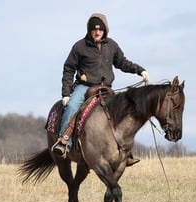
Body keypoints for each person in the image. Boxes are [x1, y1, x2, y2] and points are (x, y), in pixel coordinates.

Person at [52, 13, 149, 166]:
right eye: (94, 29)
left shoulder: (112, 45)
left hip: (106, 89)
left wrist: (140, 70)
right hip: (84, 88)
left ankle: (126, 152)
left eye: (100, 29)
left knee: (122, 113)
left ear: (105, 30)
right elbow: (68, 69)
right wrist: (66, 93)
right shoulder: (79, 46)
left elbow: (122, 63)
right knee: (71, 107)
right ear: (89, 30)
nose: (97, 32)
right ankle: (64, 143)